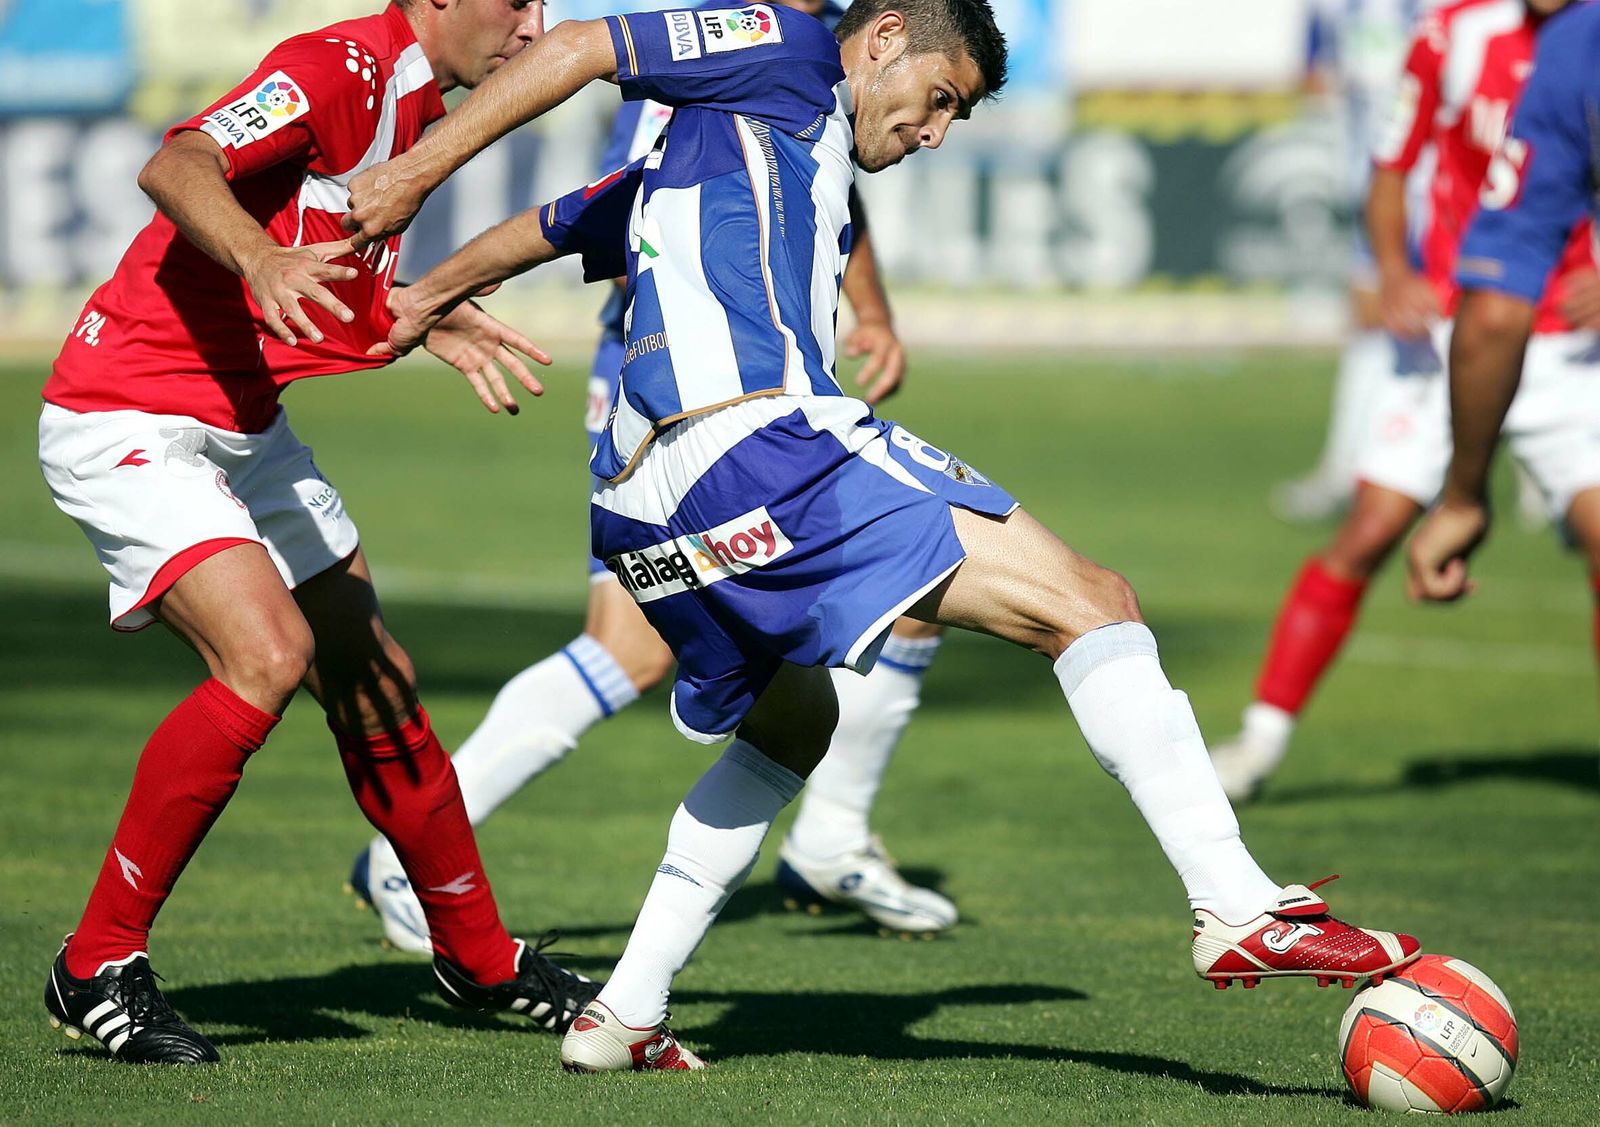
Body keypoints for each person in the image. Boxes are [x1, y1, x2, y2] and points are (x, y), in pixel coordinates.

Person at [347, 0, 1420, 1072]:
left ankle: (624, 1012)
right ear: (885, 36)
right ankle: (1235, 904)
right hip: (756, 444)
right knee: (1092, 601)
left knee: (790, 722)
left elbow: (560, 218)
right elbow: (586, 45)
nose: (934, 131)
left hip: (638, 508)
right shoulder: (792, 47)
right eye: (938, 98)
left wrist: (422, 299)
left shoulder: (735, 140)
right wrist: (412, 178)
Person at [38, 0, 598, 1066]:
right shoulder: (336, 64)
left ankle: (478, 956)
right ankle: (96, 959)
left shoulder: (420, 101)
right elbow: (181, 163)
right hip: (126, 409)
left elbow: (315, 240)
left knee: (372, 675)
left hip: (243, 424)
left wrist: (426, 308)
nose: (535, 23)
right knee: (269, 653)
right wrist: (255, 261)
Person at [348, 0, 957, 955]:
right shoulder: (733, 38)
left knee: (911, 578)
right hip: (675, 371)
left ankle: (831, 834)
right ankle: (406, 852)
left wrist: (866, 310)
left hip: (764, 382)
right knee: (634, 648)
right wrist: (426, 227)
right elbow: (630, 182)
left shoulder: (822, 44)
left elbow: (833, 165)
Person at [1209, 0, 1600, 803]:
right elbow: (1390, 166)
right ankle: (1259, 740)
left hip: (1567, 342)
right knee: (1372, 525)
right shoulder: (1449, 36)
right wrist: (1393, 271)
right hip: (1460, 333)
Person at [1409, 0, 1600, 605]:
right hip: (1522, 335)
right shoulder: (1459, 34)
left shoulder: (1575, 46)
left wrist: (1463, 497)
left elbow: (1495, 309)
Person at [1272, 0, 1436, 524]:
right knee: (1374, 322)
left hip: (1442, 196)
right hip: (1378, 191)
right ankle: (1353, 470)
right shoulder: (1335, 9)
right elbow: (1316, 79)